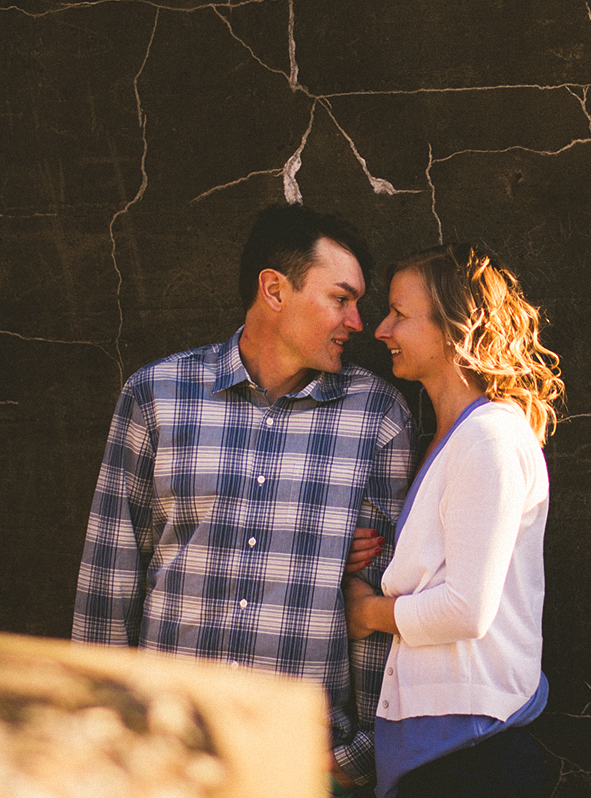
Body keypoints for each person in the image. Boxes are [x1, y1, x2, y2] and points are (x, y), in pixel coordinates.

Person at [72, 203, 413, 789]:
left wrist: (357, 753)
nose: (358, 322)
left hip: (299, 763)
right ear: (274, 291)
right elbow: (111, 577)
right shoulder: (157, 396)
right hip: (165, 754)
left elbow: (380, 592)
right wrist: (104, 736)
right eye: (340, 298)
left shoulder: (377, 418)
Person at [344, 244, 563, 798]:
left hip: (473, 757)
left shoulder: (489, 437)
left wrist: (367, 613)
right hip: (439, 752)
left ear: (451, 329)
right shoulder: (452, 437)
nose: (380, 329)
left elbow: (466, 609)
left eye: (399, 313)